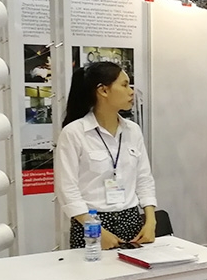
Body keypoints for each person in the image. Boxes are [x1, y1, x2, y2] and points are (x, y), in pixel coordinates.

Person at [55, 62, 157, 250]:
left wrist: (150, 221)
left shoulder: (132, 130)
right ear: (103, 90)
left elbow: (144, 178)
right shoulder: (74, 133)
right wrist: (96, 230)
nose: (131, 92)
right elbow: (67, 189)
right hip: (91, 223)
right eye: (124, 85)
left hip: (132, 221)